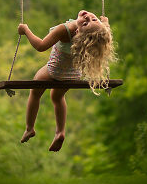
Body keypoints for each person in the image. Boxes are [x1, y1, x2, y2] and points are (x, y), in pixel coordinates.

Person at [17, 10, 117, 152]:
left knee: (35, 91)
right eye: (93, 19)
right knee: (57, 97)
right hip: (73, 75)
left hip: (55, 70)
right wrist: (104, 22)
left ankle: (29, 128)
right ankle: (60, 132)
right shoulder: (98, 32)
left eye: (86, 23)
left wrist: (25, 30)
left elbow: (40, 46)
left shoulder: (65, 30)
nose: (88, 17)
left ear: (78, 33)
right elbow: (103, 30)